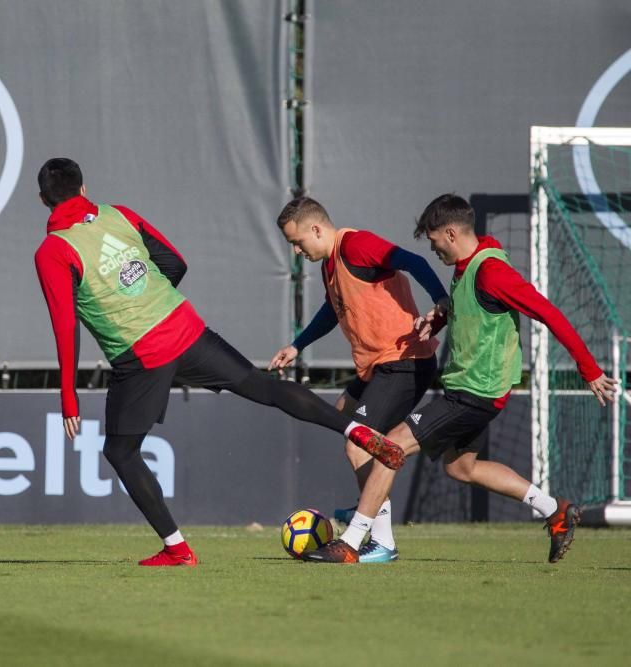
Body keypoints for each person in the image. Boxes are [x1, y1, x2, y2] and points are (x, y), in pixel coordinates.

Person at [33, 157, 406, 567]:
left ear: (43, 201)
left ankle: (177, 549)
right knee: (264, 387)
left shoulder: (54, 251)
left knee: (121, 452)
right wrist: (151, 298)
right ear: (84, 190)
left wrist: (68, 395)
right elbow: (175, 262)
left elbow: (64, 326)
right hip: (186, 327)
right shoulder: (119, 214)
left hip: (141, 354)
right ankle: (355, 429)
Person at [301, 194, 620, 564]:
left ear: (450, 234)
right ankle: (554, 510)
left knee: (389, 446)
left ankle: (357, 542)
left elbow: (548, 313)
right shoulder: (466, 268)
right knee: (461, 467)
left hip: (474, 393)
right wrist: (434, 320)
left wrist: (590, 370)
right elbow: (471, 313)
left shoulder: (491, 271)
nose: (433, 249)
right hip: (472, 390)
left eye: (434, 240)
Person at [267, 196, 447, 563]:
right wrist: (297, 345)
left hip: (405, 361)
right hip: (380, 366)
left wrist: (441, 299)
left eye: (297, 243)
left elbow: (413, 260)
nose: (297, 251)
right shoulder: (330, 264)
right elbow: (332, 312)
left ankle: (377, 538)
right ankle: (372, 507)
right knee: (343, 411)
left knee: (359, 444)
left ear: (316, 229)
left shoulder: (357, 245)